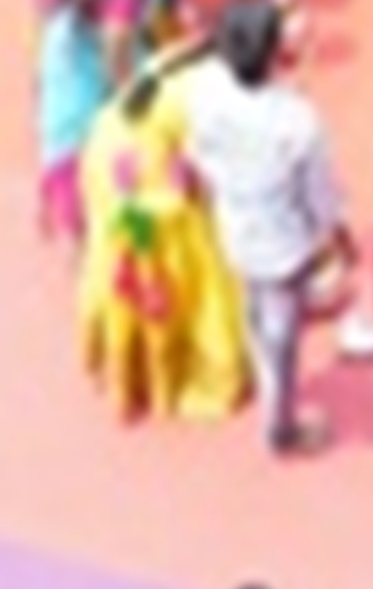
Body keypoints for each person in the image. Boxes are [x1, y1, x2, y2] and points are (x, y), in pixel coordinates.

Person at [196, 0, 354, 464]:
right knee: (283, 334)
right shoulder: (297, 122)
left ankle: (255, 354)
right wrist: (339, 240)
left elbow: (199, 152)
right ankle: (280, 428)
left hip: (233, 225)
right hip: (282, 247)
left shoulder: (207, 90)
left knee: (252, 302)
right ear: (271, 55)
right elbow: (320, 199)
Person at [81, 31, 254, 427]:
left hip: (114, 173)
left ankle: (123, 383)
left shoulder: (175, 61)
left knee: (121, 283)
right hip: (154, 195)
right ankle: (166, 389)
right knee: (167, 287)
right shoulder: (207, 92)